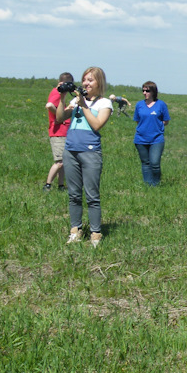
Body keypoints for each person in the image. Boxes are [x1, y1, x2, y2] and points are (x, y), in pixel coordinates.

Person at [55, 67, 113, 247]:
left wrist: (83, 106)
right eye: (85, 80)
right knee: (73, 194)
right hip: (71, 150)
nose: (86, 83)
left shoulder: (104, 104)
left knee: (92, 195)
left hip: (90, 152)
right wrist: (63, 98)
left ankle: (95, 233)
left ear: (99, 83)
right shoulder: (76, 100)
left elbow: (96, 125)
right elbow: (59, 118)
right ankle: (76, 229)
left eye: (91, 80)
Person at [133, 81, 170, 186]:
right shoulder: (139, 105)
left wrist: (156, 126)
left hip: (156, 139)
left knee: (154, 163)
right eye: (143, 90)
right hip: (141, 139)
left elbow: (166, 121)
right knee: (145, 163)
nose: (145, 93)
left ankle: (156, 184)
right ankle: (147, 185)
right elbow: (137, 120)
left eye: (147, 91)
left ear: (153, 91)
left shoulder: (161, 104)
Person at [44, 71, 74, 191]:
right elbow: (49, 105)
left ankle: (61, 185)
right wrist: (58, 116)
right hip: (58, 132)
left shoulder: (59, 92)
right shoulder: (57, 92)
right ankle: (48, 184)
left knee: (63, 161)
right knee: (59, 162)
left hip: (63, 131)